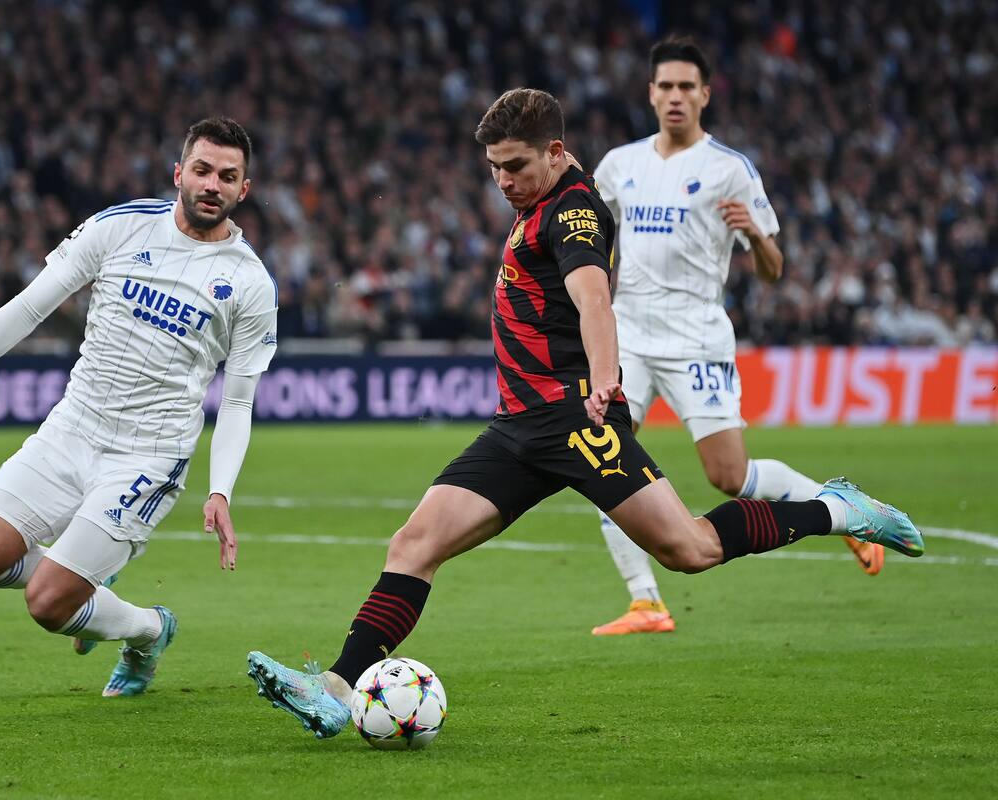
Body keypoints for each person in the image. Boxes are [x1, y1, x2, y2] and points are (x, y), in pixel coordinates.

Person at [245, 89, 923, 739]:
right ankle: (334, 693)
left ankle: (836, 510)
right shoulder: (536, 199)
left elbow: (593, 298)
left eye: (514, 166)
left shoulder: (573, 211)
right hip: (518, 428)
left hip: (576, 421)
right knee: (413, 546)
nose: (503, 181)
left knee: (689, 549)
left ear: (556, 151)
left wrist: (604, 380)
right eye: (493, 169)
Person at [0, 118, 278, 697]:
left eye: (227, 176)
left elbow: (239, 401)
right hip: (73, 427)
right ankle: (85, 576)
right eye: (201, 170)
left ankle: (148, 629)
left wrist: (221, 489)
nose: (211, 185)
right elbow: (29, 308)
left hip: (149, 454)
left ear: (242, 190)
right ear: (179, 173)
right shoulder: (117, 229)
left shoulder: (250, 284)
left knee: (47, 603)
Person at [587, 38, 884, 637]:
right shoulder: (619, 166)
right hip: (631, 336)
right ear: (650, 94)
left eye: (685, 87)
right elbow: (592, 244)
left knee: (730, 476)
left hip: (697, 339)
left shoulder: (730, 170)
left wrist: (757, 236)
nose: (674, 96)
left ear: (704, 94)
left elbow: (774, 270)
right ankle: (647, 603)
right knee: (601, 459)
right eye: (664, 86)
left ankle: (842, 513)